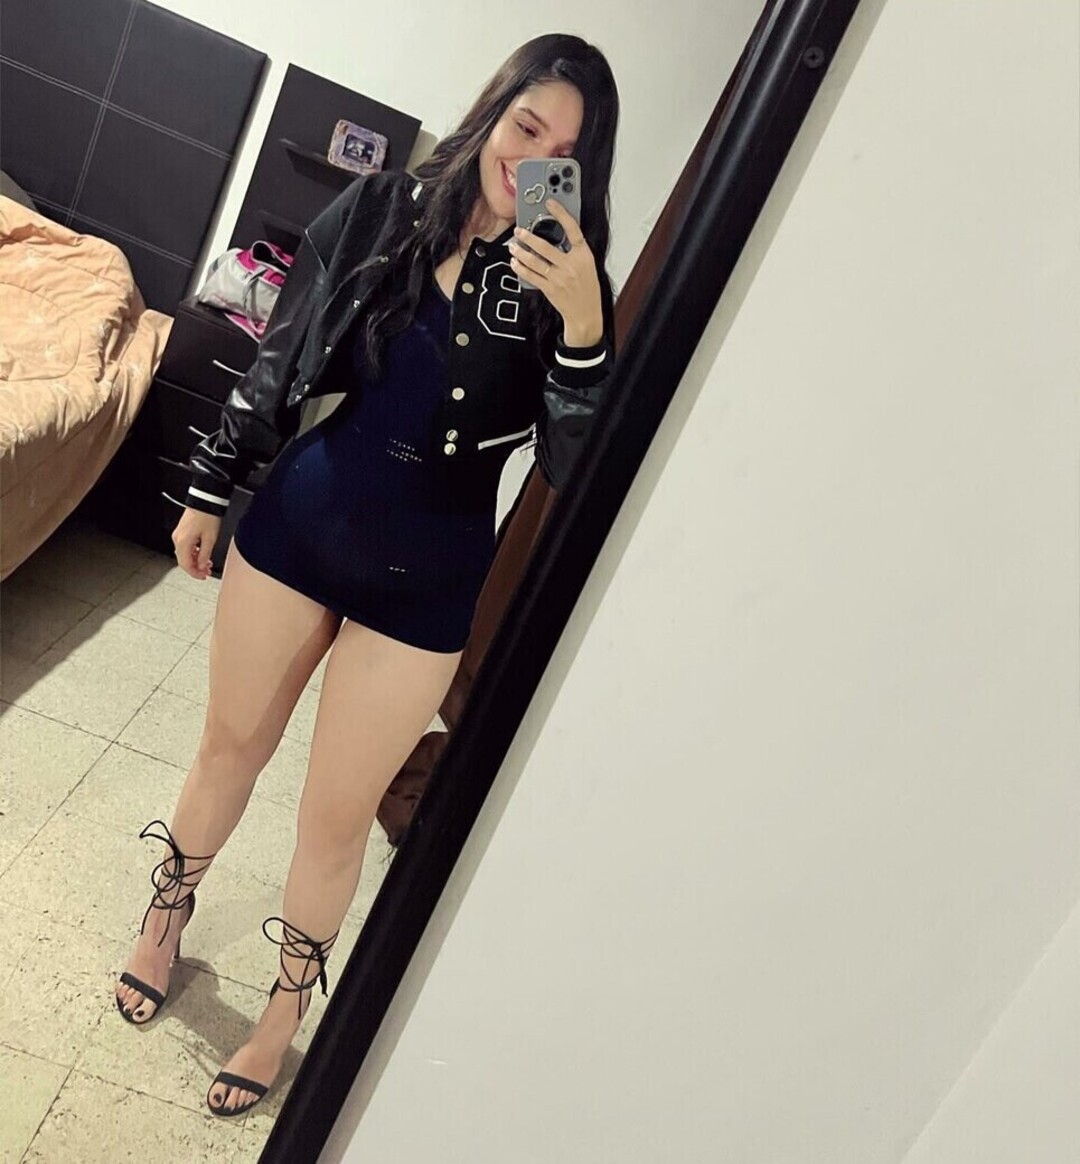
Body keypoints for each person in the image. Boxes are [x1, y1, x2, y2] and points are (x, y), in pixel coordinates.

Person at [112, 33, 620, 1118]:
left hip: (427, 580)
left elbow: (574, 469)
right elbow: (282, 348)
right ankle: (166, 914)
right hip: (304, 525)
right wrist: (209, 483)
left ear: (583, 173)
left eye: (564, 153)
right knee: (227, 749)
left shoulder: (567, 285)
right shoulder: (387, 209)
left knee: (335, 820)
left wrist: (583, 325)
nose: (533, 158)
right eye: (526, 126)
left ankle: (285, 1012)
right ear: (494, 113)